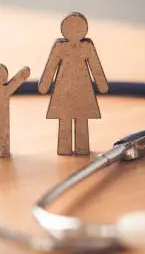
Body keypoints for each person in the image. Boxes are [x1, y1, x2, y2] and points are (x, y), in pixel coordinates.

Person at [38, 12, 109, 155]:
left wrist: (102, 85)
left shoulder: (87, 47)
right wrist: (44, 85)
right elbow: (51, 66)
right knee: (64, 118)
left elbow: (95, 67)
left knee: (81, 118)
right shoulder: (60, 47)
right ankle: (65, 148)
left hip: (83, 89)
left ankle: (82, 148)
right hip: (63, 90)